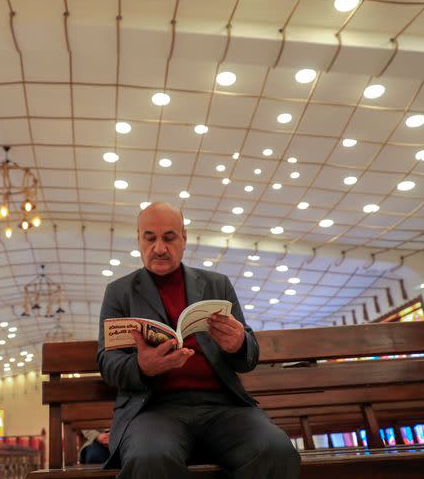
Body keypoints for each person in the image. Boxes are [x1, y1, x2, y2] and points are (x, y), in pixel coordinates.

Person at [97, 202, 300, 478]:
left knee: (276, 452)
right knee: (150, 459)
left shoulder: (217, 284)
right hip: (154, 408)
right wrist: (143, 367)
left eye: (169, 238)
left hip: (223, 406)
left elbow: (249, 357)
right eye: (150, 238)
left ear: (184, 239)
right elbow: (108, 364)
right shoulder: (120, 292)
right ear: (138, 240)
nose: (159, 248)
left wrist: (239, 344)